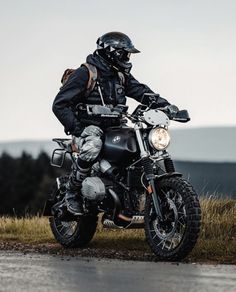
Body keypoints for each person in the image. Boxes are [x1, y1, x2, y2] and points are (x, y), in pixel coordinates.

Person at [52, 31, 172, 215]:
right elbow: (59, 104)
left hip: (114, 127)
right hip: (88, 130)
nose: (127, 57)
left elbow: (141, 92)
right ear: (111, 52)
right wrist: (79, 128)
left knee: (141, 144)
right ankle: (72, 191)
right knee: (94, 144)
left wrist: (166, 106)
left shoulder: (120, 76)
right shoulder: (85, 74)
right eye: (124, 53)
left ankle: (132, 194)